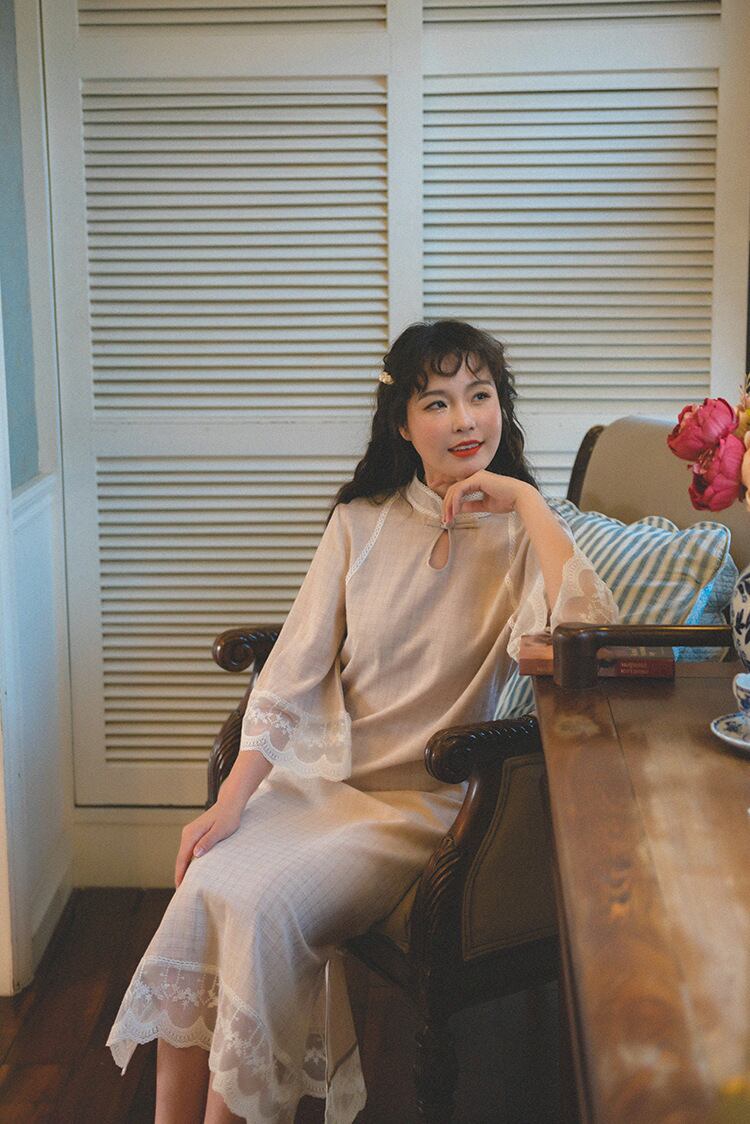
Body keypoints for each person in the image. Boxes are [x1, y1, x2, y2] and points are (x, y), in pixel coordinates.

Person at [106, 319, 618, 1123]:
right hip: (321, 788)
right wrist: (232, 801)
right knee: (204, 884)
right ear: (402, 424)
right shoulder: (359, 523)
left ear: (502, 407)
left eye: (480, 396)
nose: (464, 420)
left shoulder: (526, 536)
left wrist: (524, 500)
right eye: (437, 402)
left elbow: (590, 633)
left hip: (421, 809)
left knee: (263, 911)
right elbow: (292, 670)